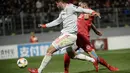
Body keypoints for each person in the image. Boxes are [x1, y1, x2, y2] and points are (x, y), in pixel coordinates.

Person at [28, 0, 100, 73]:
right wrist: (45, 25)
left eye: (56, 3)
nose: (56, 5)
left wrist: (92, 12)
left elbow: (82, 9)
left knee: (49, 50)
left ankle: (39, 71)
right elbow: (57, 21)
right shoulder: (62, 12)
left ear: (60, 2)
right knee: (72, 55)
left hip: (69, 36)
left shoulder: (71, 7)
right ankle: (93, 60)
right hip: (67, 35)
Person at [64, 1, 119, 73]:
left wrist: (94, 13)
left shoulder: (88, 12)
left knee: (96, 58)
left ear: (83, 6)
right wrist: (95, 30)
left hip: (85, 40)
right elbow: (90, 23)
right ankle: (66, 71)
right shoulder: (81, 14)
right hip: (77, 39)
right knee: (68, 53)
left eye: (79, 6)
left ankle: (109, 67)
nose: (78, 7)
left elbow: (89, 15)